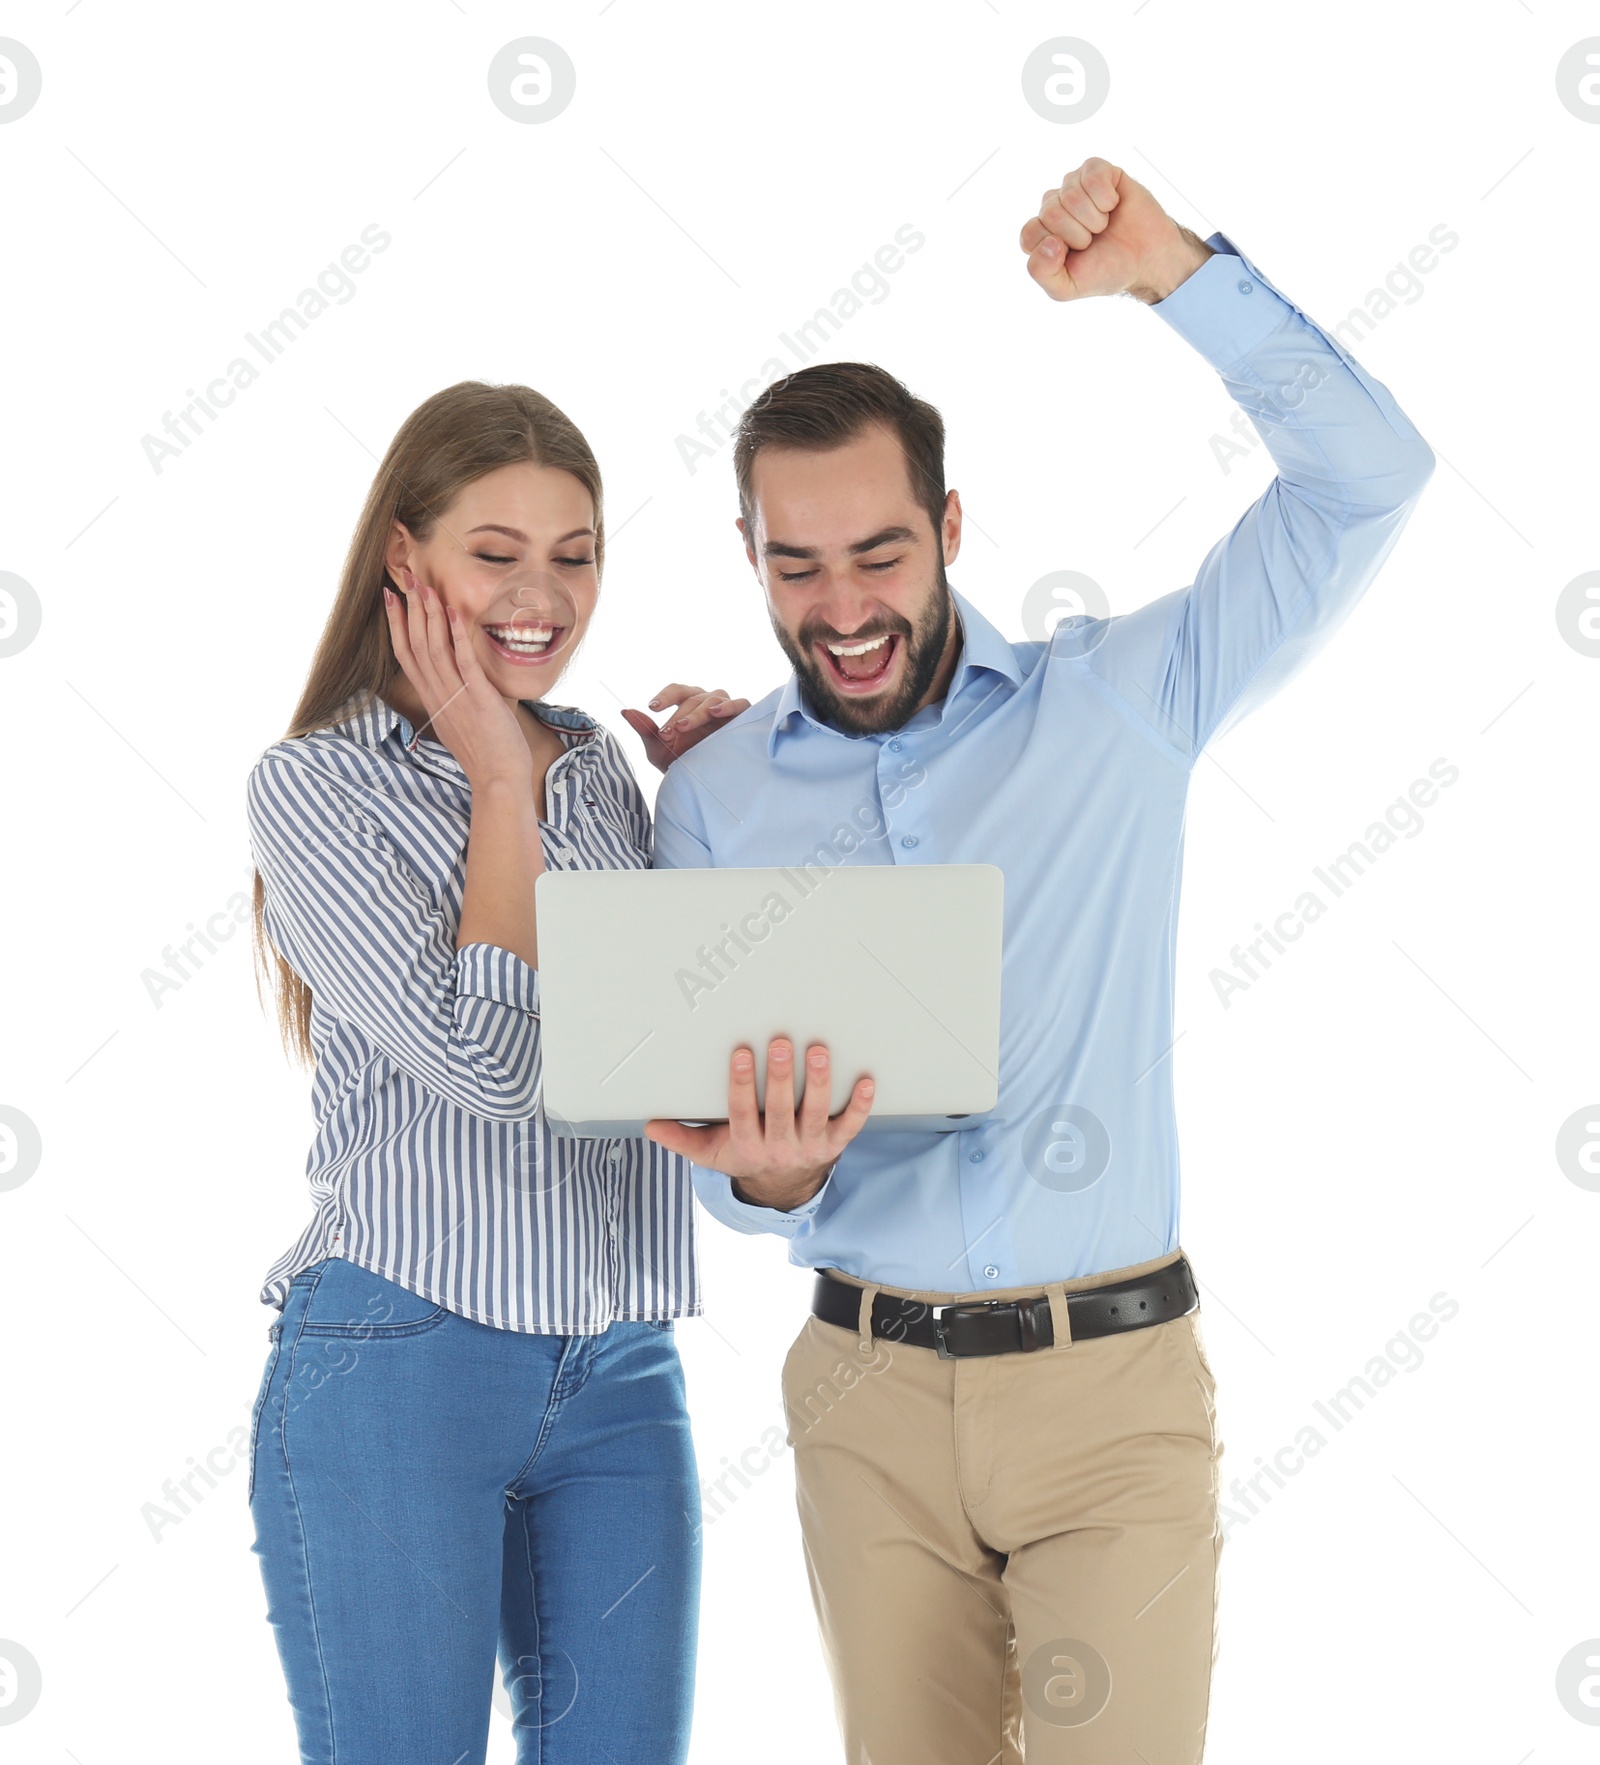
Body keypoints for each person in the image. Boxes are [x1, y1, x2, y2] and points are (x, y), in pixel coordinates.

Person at [642, 159, 1435, 1763]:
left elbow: (1369, 479)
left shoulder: (1124, 701)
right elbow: (715, 1160)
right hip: (863, 1395)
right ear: (746, 552)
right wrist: (772, 1184)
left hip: (1111, 1398)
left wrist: (1174, 274)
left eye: (876, 552)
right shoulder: (713, 796)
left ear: (948, 522)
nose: (841, 607)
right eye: (793, 566)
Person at [245, 380, 751, 1765]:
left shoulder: (606, 773)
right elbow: (493, 1057)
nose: (542, 594)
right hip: (401, 1350)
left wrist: (740, 794)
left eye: (575, 554)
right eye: (496, 552)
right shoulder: (316, 788)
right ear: (406, 559)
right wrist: (497, 786)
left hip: (621, 1366)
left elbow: (699, 1039)